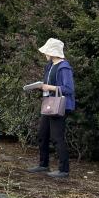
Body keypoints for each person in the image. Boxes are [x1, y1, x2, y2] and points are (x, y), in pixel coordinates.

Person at [27, 38, 75, 179]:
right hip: (49, 104)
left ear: (53, 52)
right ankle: (43, 164)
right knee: (42, 134)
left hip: (59, 106)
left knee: (57, 137)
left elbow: (69, 89)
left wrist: (49, 87)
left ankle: (64, 169)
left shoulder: (64, 67)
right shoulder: (50, 66)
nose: (45, 54)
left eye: (47, 51)